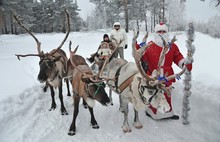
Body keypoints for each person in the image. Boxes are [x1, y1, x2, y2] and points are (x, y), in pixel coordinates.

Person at [136, 22, 192, 120]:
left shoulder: (172, 46)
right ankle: (152, 112)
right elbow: (142, 58)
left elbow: (178, 57)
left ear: (167, 32)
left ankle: (168, 113)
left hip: (167, 75)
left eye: (163, 31)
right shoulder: (149, 45)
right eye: (159, 31)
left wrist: (184, 63)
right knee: (153, 94)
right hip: (153, 75)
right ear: (155, 33)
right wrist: (137, 49)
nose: (161, 33)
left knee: (167, 94)